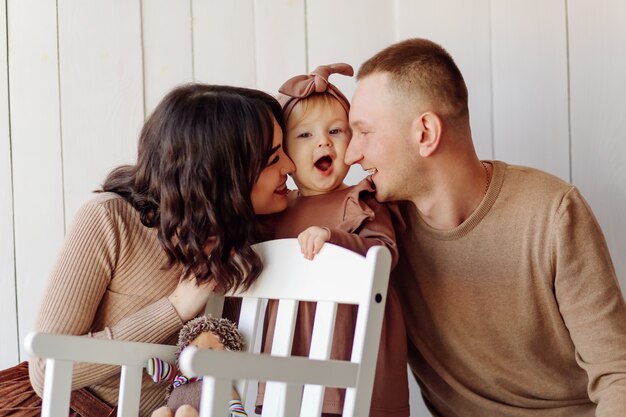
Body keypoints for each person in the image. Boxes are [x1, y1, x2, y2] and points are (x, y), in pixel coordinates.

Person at [344, 37, 626, 416]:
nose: (351, 154)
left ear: (425, 133)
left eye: (364, 131)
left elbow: (618, 376)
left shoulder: (552, 213)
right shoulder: (379, 230)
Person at [0, 83, 295, 417]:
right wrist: (175, 307)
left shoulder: (247, 235)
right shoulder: (110, 219)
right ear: (220, 172)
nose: (290, 167)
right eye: (274, 158)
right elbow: (46, 371)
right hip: (63, 406)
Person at [256, 64, 410, 417]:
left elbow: (383, 253)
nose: (323, 141)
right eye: (305, 135)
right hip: (281, 363)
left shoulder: (361, 199)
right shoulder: (275, 209)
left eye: (336, 131)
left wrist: (335, 240)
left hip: (346, 357)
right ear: (284, 154)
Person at [147, 315, 247, 417]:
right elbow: (171, 373)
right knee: (162, 412)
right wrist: (159, 368)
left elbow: (232, 400)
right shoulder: (184, 375)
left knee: (185, 412)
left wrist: (236, 411)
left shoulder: (218, 382)